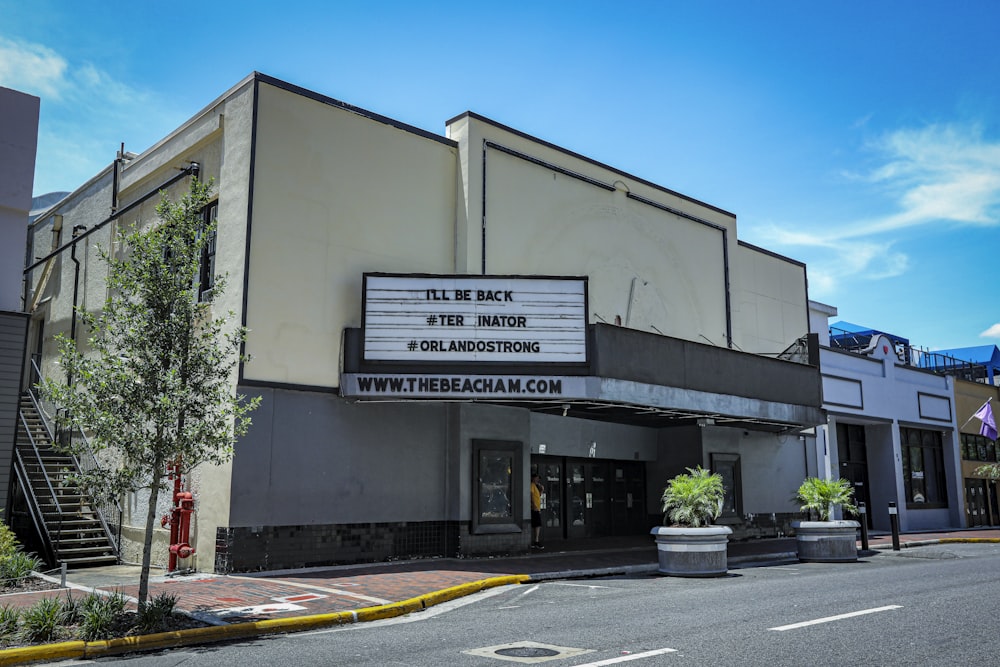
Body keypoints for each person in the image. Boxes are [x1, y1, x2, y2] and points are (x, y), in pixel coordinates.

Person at [530, 473, 544, 550]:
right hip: (534, 508)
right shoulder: (532, 485)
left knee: (537, 524)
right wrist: (534, 505)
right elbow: (531, 495)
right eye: (537, 478)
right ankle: (536, 541)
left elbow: (537, 496)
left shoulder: (536, 486)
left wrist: (541, 490)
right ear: (533, 478)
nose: (538, 480)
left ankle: (536, 541)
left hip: (537, 508)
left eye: (538, 479)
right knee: (537, 524)